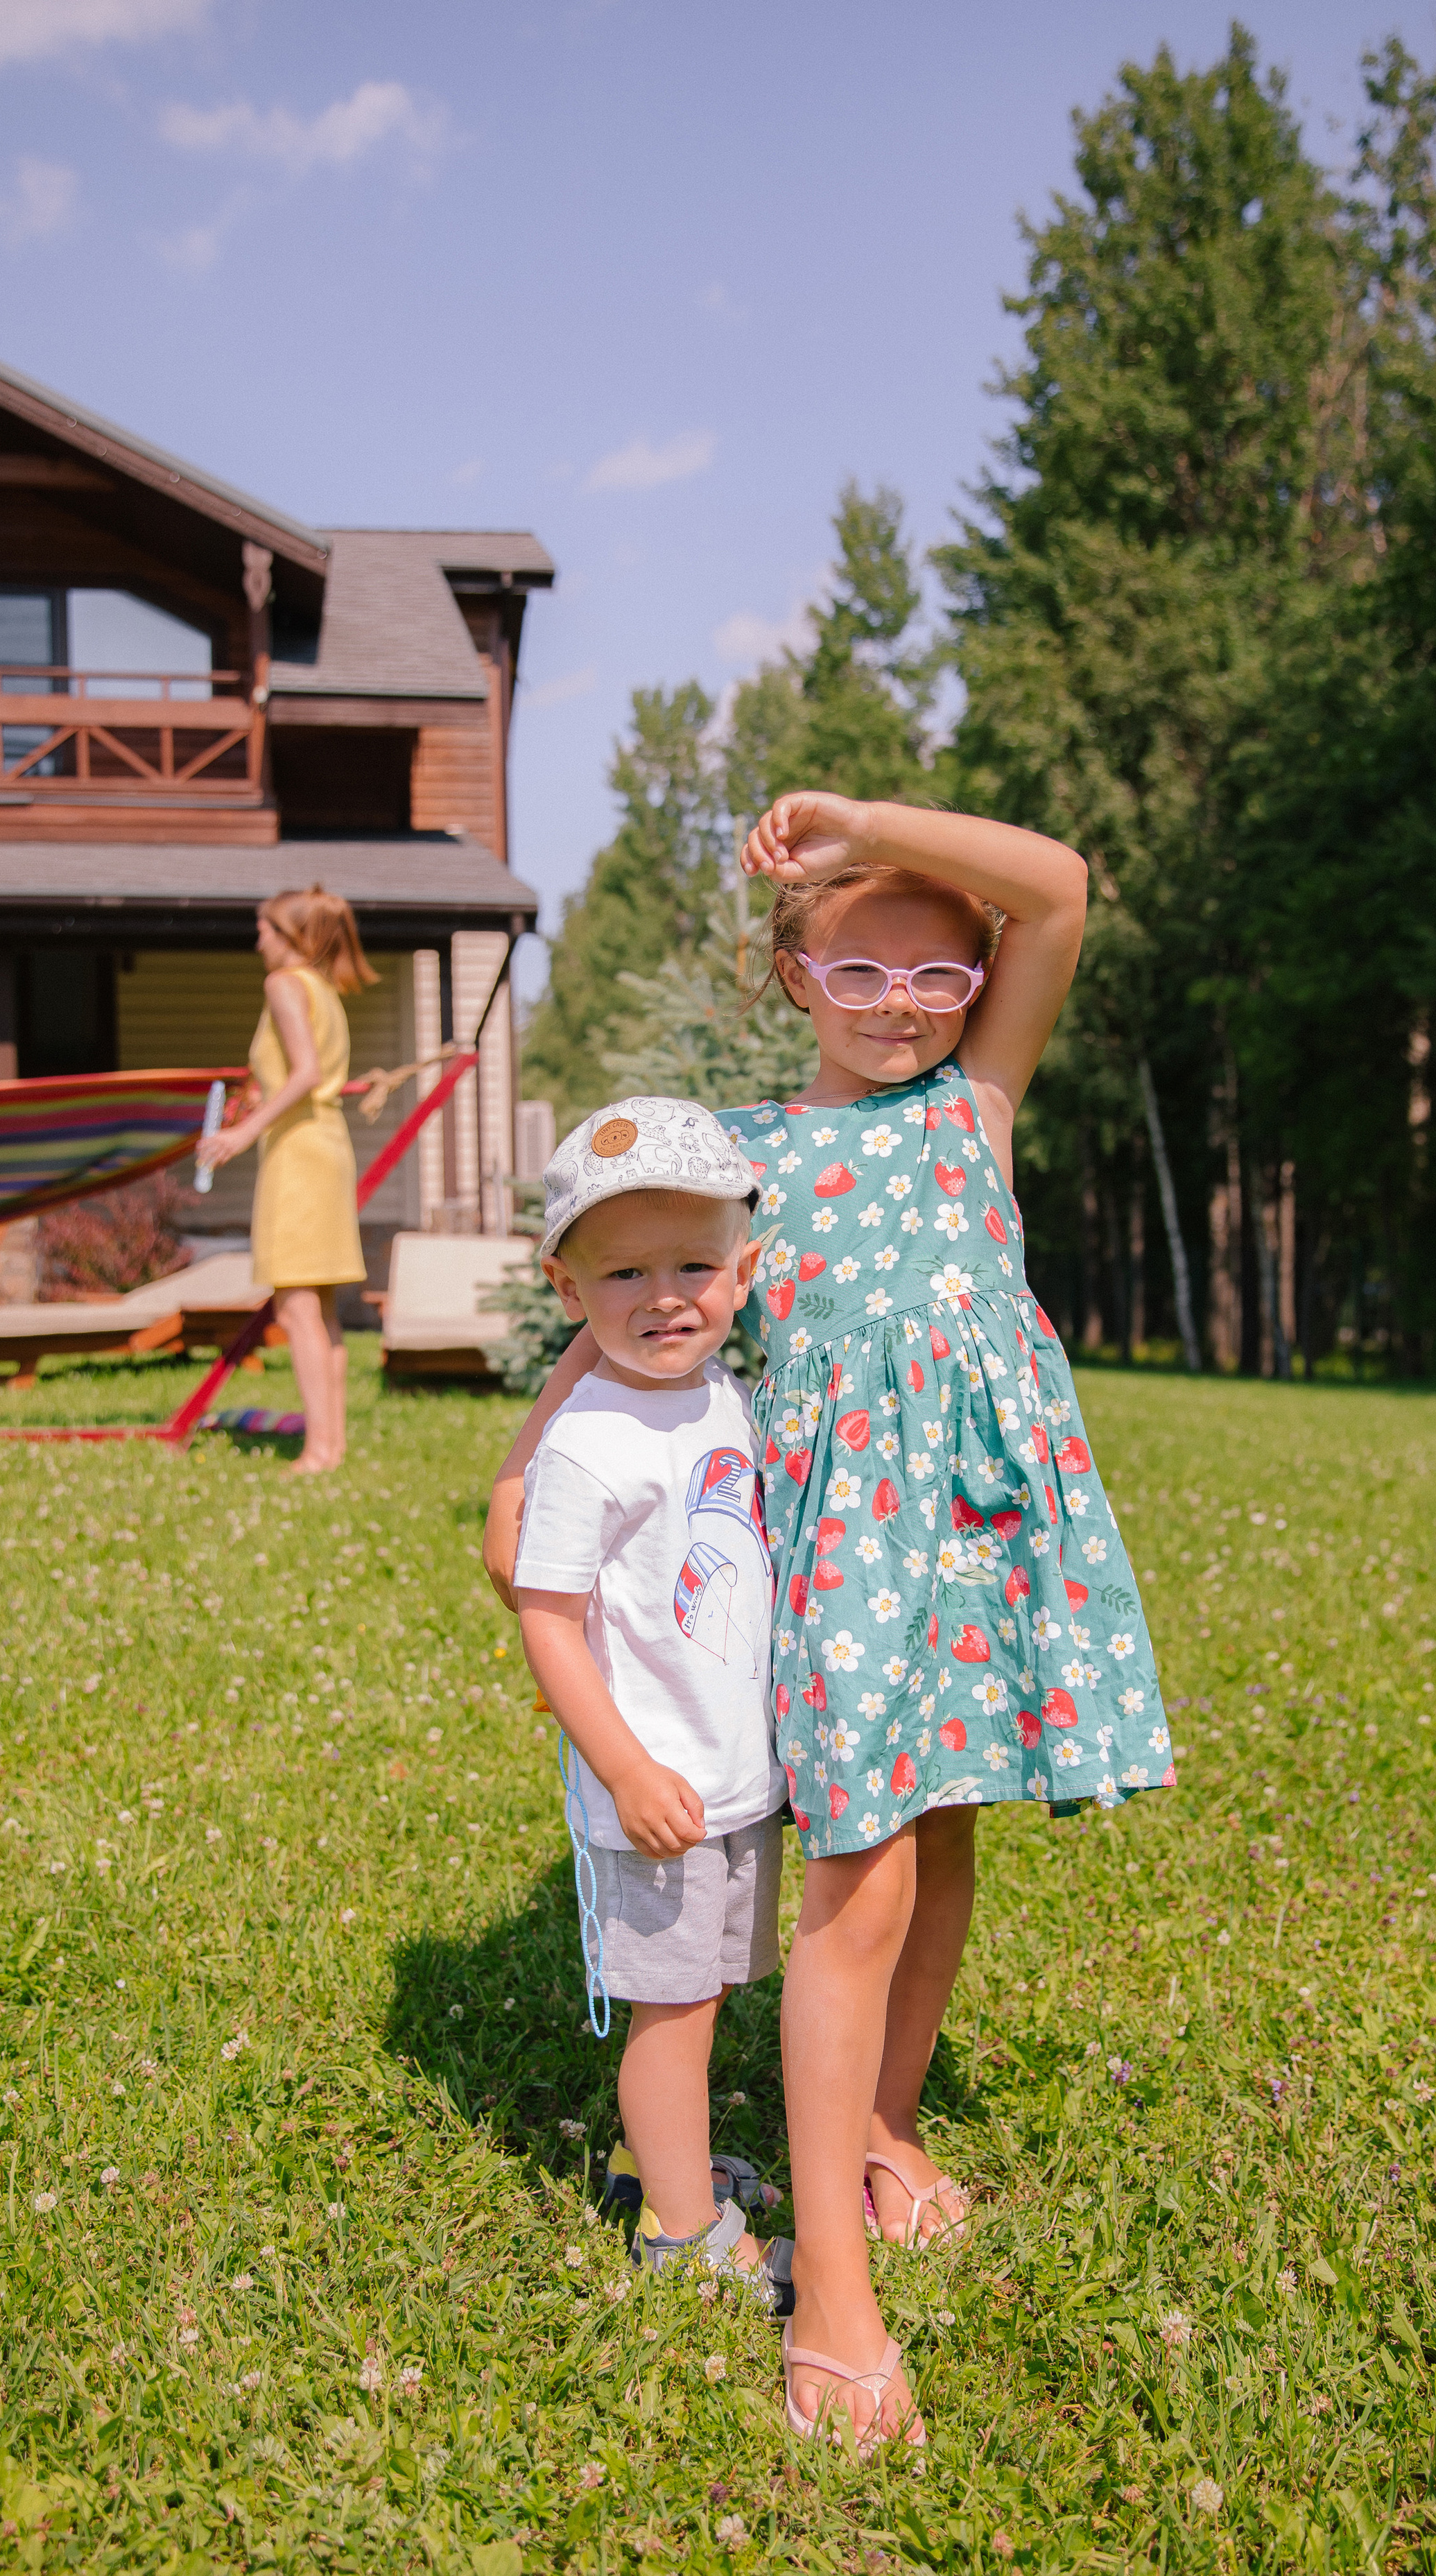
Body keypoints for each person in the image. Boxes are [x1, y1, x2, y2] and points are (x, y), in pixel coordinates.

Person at [486, 793, 1172, 2450]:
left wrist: (861, 822)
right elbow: (611, 1316)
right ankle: (834, 2301)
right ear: (792, 976)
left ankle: (876, 2123)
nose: (897, 1004)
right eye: (857, 969)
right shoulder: (737, 1164)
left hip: (976, 1549)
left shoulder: (970, 1111)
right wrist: (517, 1480)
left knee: (939, 1846)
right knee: (854, 1895)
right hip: (839, 1563)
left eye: (937, 976)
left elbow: (1058, 891)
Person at [511, 1096, 792, 2308]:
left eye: (693, 1265)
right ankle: (683, 2234)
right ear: (568, 1288)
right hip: (656, 1788)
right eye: (625, 1272)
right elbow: (547, 1619)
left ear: (744, 1271)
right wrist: (624, 1770)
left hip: (732, 1777)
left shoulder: (723, 1394)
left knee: (705, 1997)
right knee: (670, 2017)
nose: (664, 1296)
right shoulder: (591, 1441)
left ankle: (659, 2161)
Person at [197, 887, 374, 1476]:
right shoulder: (324, 991)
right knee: (319, 1307)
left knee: (296, 1308)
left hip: (298, 1153)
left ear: (292, 935)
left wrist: (241, 1133)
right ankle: (332, 1446)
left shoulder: (283, 985)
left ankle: (318, 1451)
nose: (258, 941)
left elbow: (305, 1074)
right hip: (327, 1143)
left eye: (265, 929)